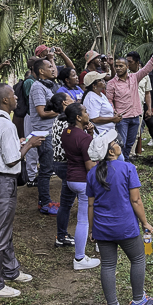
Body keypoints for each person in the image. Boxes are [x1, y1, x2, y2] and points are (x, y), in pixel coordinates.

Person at [0, 84, 45, 298]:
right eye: (13, 95)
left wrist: (18, 143)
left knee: (5, 227)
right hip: (3, 181)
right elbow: (11, 160)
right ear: (5, 100)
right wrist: (29, 145)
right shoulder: (6, 125)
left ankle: (10, 270)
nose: (16, 97)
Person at [87, 130, 153, 305]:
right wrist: (145, 222)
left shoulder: (92, 173)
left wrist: (92, 229)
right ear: (111, 151)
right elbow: (136, 201)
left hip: (102, 228)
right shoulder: (128, 168)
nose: (119, 143)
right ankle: (138, 300)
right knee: (138, 259)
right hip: (126, 226)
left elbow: (91, 205)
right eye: (115, 142)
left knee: (108, 265)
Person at [61, 103, 101, 269]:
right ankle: (79, 258)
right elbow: (90, 166)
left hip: (71, 179)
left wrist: (89, 134)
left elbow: (79, 149)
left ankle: (98, 242)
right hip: (84, 181)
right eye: (85, 112)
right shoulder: (84, 139)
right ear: (78, 117)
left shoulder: (67, 132)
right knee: (84, 220)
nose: (88, 113)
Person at [106, 46, 153, 162]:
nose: (118, 68)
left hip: (135, 116)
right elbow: (109, 101)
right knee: (122, 142)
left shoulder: (134, 78)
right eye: (116, 66)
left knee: (130, 143)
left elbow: (146, 69)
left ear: (127, 67)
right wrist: (114, 112)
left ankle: (125, 161)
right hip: (122, 118)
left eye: (121, 66)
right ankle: (120, 163)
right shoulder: (111, 83)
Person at [30, 58, 61, 215]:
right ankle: (44, 202)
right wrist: (62, 111)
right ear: (41, 71)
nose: (53, 69)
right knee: (46, 168)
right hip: (44, 133)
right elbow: (42, 113)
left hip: (52, 131)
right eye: (49, 67)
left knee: (51, 166)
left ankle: (46, 200)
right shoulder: (37, 87)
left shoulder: (50, 86)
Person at [47, 92, 76, 247]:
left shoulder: (58, 119)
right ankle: (62, 235)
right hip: (68, 164)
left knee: (66, 202)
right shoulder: (67, 121)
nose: (73, 98)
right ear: (65, 103)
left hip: (59, 163)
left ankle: (62, 235)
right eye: (70, 98)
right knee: (67, 202)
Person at [126, 51, 153, 151]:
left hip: (139, 108)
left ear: (137, 63)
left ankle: (132, 153)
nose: (128, 64)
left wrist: (149, 109)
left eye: (130, 62)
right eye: (127, 61)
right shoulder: (124, 75)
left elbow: (147, 93)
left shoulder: (145, 75)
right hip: (126, 108)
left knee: (136, 132)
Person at [22, 59, 39, 185]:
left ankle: (37, 173)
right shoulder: (29, 82)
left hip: (39, 118)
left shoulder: (39, 81)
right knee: (31, 145)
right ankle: (31, 177)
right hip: (31, 116)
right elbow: (31, 101)